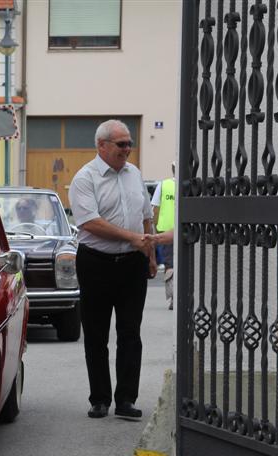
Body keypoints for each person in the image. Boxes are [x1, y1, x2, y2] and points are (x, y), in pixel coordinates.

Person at [69, 119, 156, 421]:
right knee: (96, 333)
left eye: (129, 143)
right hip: (96, 262)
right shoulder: (85, 178)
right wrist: (132, 237)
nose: (127, 149)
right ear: (102, 146)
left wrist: (150, 254)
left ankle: (126, 400)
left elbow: (146, 217)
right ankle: (100, 399)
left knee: (131, 332)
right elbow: (90, 223)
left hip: (133, 263)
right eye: (121, 144)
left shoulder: (135, 175)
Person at [151, 163, 177, 310]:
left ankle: (173, 297)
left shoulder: (164, 185)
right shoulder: (189, 184)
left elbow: (154, 209)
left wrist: (155, 231)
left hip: (165, 230)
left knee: (169, 264)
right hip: (186, 228)